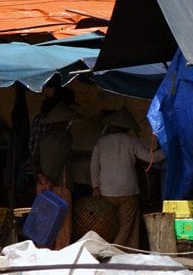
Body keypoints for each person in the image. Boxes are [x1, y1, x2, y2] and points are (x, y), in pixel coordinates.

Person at [90, 108, 165, 249]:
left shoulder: (101, 142)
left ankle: (109, 249)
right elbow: (151, 158)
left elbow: (94, 166)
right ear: (127, 127)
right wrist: (168, 150)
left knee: (108, 224)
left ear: (111, 126)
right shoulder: (132, 141)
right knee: (128, 227)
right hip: (128, 191)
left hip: (106, 191)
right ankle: (120, 250)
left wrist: (95, 186)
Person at [31, 103, 82, 249]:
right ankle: (60, 250)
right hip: (59, 185)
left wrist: (41, 178)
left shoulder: (43, 137)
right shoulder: (66, 137)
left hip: (42, 185)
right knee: (62, 222)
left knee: (44, 220)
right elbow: (58, 159)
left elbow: (34, 159)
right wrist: (49, 180)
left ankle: (42, 249)